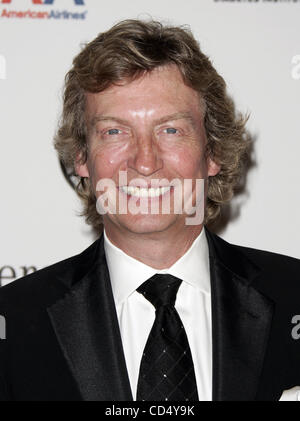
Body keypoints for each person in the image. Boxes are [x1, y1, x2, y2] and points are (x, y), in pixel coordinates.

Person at [0, 19, 299, 402]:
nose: (144, 161)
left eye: (170, 130)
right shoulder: (16, 323)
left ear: (212, 153)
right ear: (81, 158)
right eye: (114, 132)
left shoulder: (294, 298)